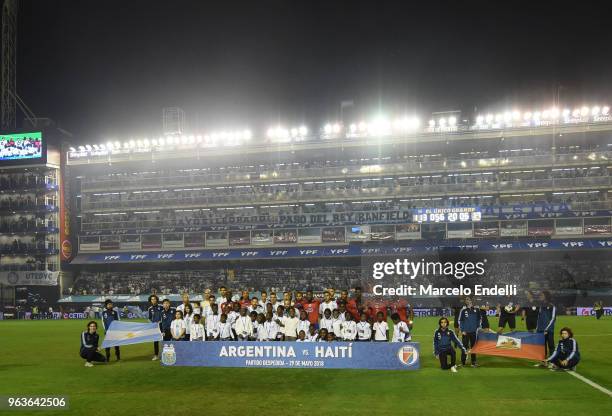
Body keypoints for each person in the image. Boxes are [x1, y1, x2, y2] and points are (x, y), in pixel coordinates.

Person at [458, 297, 480, 367]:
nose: (468, 301)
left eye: (469, 300)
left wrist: (477, 327)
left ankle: (473, 362)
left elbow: (479, 319)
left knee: (473, 347)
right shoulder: (463, 310)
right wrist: (462, 330)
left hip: (473, 332)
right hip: (466, 332)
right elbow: (460, 321)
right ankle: (463, 362)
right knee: (464, 347)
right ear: (465, 302)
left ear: (471, 301)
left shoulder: (476, 310)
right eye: (466, 300)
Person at [536, 291, 556, 359]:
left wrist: (547, 329)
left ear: (546, 296)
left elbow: (553, 318)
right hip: (540, 330)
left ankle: (552, 361)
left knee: (551, 345)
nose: (540, 296)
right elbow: (539, 317)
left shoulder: (552, 306)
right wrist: (537, 328)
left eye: (542, 295)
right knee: (542, 346)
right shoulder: (541, 306)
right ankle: (543, 361)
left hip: (549, 330)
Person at [147, 294, 163, 360]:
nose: (153, 300)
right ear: (150, 300)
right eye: (152, 299)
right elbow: (149, 318)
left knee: (163, 340)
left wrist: (160, 321)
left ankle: (164, 354)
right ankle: (156, 355)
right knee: (155, 341)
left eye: (154, 299)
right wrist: (152, 323)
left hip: (162, 326)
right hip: (154, 327)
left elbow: (163, 315)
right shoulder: (150, 309)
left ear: (157, 300)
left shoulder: (161, 307)